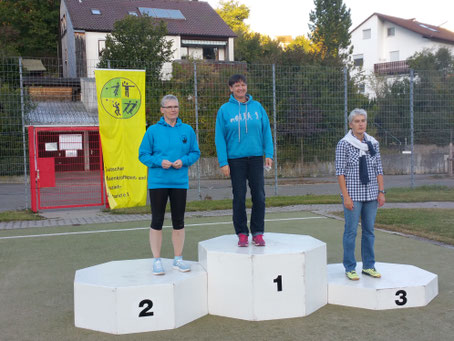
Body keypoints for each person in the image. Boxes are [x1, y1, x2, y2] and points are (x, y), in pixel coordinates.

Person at [139, 95, 200, 275]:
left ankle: (178, 259)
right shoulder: (152, 131)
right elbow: (143, 155)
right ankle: (156, 260)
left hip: (180, 182)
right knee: (157, 220)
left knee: (178, 221)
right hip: (158, 182)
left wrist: (184, 161)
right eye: (170, 107)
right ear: (162, 110)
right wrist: (159, 162)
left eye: (176, 106)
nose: (174, 109)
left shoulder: (187, 130)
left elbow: (195, 153)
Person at [215, 74, 274, 247]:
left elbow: (266, 131)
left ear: (246, 87)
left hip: (256, 158)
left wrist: (268, 154)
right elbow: (220, 138)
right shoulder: (224, 110)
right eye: (236, 86)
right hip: (235, 160)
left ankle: (257, 233)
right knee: (239, 197)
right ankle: (242, 233)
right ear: (230, 89)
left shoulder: (257, 107)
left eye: (242, 85)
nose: (240, 88)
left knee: (259, 196)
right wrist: (223, 162)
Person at [335, 108, 386, 281]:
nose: (361, 124)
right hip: (353, 195)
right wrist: (346, 196)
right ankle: (350, 267)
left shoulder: (373, 143)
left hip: (371, 194)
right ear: (351, 124)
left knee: (369, 231)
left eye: (363, 120)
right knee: (350, 231)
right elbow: (340, 172)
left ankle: (369, 266)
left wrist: (381, 191)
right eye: (357, 121)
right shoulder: (344, 144)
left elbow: (378, 168)